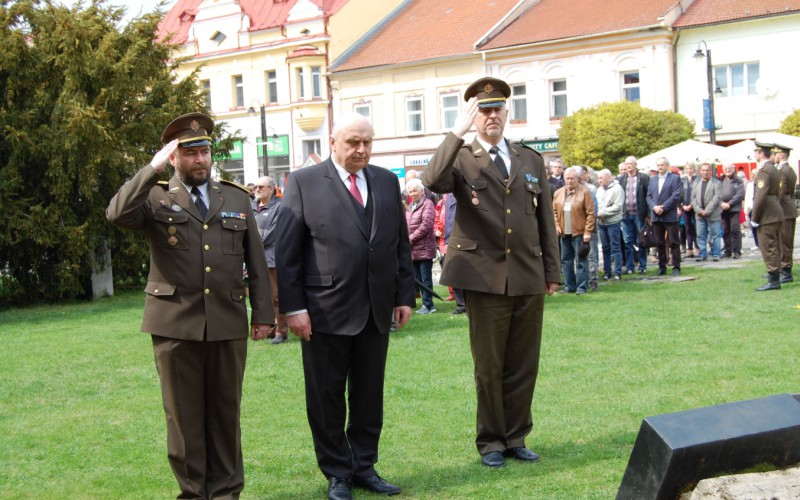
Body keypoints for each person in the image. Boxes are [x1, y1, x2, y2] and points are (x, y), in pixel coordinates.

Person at [106, 112, 274, 499]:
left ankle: (227, 492)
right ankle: (193, 494)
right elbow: (117, 213)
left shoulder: (234, 198)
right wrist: (151, 168)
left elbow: (256, 260)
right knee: (183, 419)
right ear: (175, 157)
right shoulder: (155, 195)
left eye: (205, 152)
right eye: (190, 153)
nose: (200, 159)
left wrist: (264, 314)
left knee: (226, 415)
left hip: (227, 323)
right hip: (174, 325)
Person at [422, 76, 560, 469]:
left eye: (497, 108)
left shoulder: (529, 159)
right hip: (483, 277)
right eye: (483, 110)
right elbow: (432, 180)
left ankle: (517, 437)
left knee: (523, 362)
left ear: (506, 112)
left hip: (527, 273)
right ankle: (492, 442)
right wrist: (456, 132)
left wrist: (552, 270)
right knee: (489, 365)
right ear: (473, 115)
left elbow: (544, 221)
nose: (491, 116)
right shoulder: (462, 156)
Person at [276, 113, 415, 500]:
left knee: (370, 394)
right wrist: (293, 308)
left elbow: (398, 243)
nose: (362, 149)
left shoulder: (386, 181)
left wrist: (405, 295)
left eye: (368, 142)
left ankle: (364, 466)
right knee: (326, 397)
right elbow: (287, 254)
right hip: (323, 312)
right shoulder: (304, 182)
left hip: (376, 308)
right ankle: (337, 471)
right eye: (354, 142)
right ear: (333, 141)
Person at [252, 175, 289, 344]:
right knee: (261, 295)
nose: (257, 190)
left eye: (261, 187)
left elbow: (272, 234)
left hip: (272, 258)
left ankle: (281, 331)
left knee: (276, 296)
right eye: (255, 187)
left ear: (272, 189)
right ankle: (268, 328)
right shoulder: (251, 207)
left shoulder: (279, 207)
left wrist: (251, 240)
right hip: (254, 259)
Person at [553, 166, 596, 294]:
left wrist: (588, 232)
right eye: (567, 178)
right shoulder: (558, 193)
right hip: (564, 233)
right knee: (566, 260)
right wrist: (556, 225)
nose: (569, 181)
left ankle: (582, 287)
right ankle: (569, 286)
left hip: (580, 233)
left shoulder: (585, 192)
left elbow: (591, 213)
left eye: (572, 178)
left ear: (578, 179)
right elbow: (554, 211)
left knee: (581, 260)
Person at [751, 141, 784, 291]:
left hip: (767, 214)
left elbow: (760, 196)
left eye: (755, 151)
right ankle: (775, 277)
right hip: (775, 211)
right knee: (774, 246)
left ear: (760, 153)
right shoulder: (773, 168)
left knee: (768, 246)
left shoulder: (764, 170)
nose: (754, 154)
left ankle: (773, 280)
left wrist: (754, 218)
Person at [405, 177, 438, 314]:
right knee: (417, 279)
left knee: (425, 279)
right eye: (410, 192)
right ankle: (425, 304)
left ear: (421, 191)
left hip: (424, 248)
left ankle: (429, 305)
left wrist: (410, 238)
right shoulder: (410, 206)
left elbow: (426, 225)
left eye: (415, 191)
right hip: (413, 249)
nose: (412, 194)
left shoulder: (427, 204)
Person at [647, 157, 682, 276]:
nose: (660, 167)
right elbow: (648, 197)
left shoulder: (675, 178)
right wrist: (655, 207)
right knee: (659, 243)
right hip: (656, 216)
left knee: (674, 242)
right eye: (658, 165)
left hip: (670, 215)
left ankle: (676, 267)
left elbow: (676, 195)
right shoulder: (652, 180)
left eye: (662, 165)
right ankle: (662, 266)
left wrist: (664, 207)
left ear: (667, 165)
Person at [437, 192, 467, 314]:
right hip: (449, 240)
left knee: (464, 275)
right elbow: (448, 220)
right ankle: (460, 305)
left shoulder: (462, 194)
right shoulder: (448, 197)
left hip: (462, 240)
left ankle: (467, 305)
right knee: (453, 274)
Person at [619, 156, 650, 274]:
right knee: (627, 241)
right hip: (625, 215)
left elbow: (648, 196)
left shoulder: (644, 178)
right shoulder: (621, 179)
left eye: (630, 164)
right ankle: (630, 266)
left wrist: (648, 214)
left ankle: (642, 266)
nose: (628, 166)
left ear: (635, 164)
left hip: (639, 214)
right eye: (626, 164)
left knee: (641, 240)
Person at [596, 169, 624, 280]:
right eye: (598, 178)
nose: (599, 180)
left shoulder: (617, 188)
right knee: (605, 247)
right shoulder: (599, 190)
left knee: (615, 247)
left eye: (601, 178)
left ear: (609, 177)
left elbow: (618, 206)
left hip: (613, 222)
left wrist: (601, 213)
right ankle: (607, 272)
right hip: (602, 223)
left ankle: (618, 272)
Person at [774, 144, 797, 283]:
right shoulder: (788, 169)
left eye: (776, 154)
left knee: (784, 241)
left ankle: (786, 271)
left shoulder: (783, 171)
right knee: (783, 241)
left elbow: (780, 193)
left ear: (781, 155)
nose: (774, 156)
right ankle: (782, 269)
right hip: (787, 209)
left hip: (784, 210)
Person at [691, 162, 722, 262]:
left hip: (713, 213)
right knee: (700, 235)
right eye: (703, 170)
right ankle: (702, 253)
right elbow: (693, 199)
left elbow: (716, 198)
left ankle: (716, 253)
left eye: (707, 170)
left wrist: (707, 210)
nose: (705, 172)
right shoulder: (696, 183)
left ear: (711, 171)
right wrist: (699, 210)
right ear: (700, 172)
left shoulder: (716, 183)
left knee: (715, 235)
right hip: (699, 214)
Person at [719, 163, 745, 259]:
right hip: (722, 209)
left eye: (729, 168)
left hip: (734, 209)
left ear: (733, 169)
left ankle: (737, 251)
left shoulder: (738, 180)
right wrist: (721, 203)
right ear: (723, 169)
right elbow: (716, 193)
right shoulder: (720, 180)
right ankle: (727, 250)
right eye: (726, 168)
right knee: (725, 230)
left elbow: (740, 194)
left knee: (735, 230)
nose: (728, 170)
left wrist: (729, 203)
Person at [680, 161, 699, 258]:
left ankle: (697, 247)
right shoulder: (682, 180)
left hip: (694, 206)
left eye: (690, 168)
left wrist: (692, 204)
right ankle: (690, 248)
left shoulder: (698, 179)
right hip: (684, 206)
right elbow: (679, 193)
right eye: (687, 168)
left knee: (696, 227)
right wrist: (682, 205)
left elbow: (698, 193)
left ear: (694, 169)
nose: (689, 170)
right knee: (687, 228)